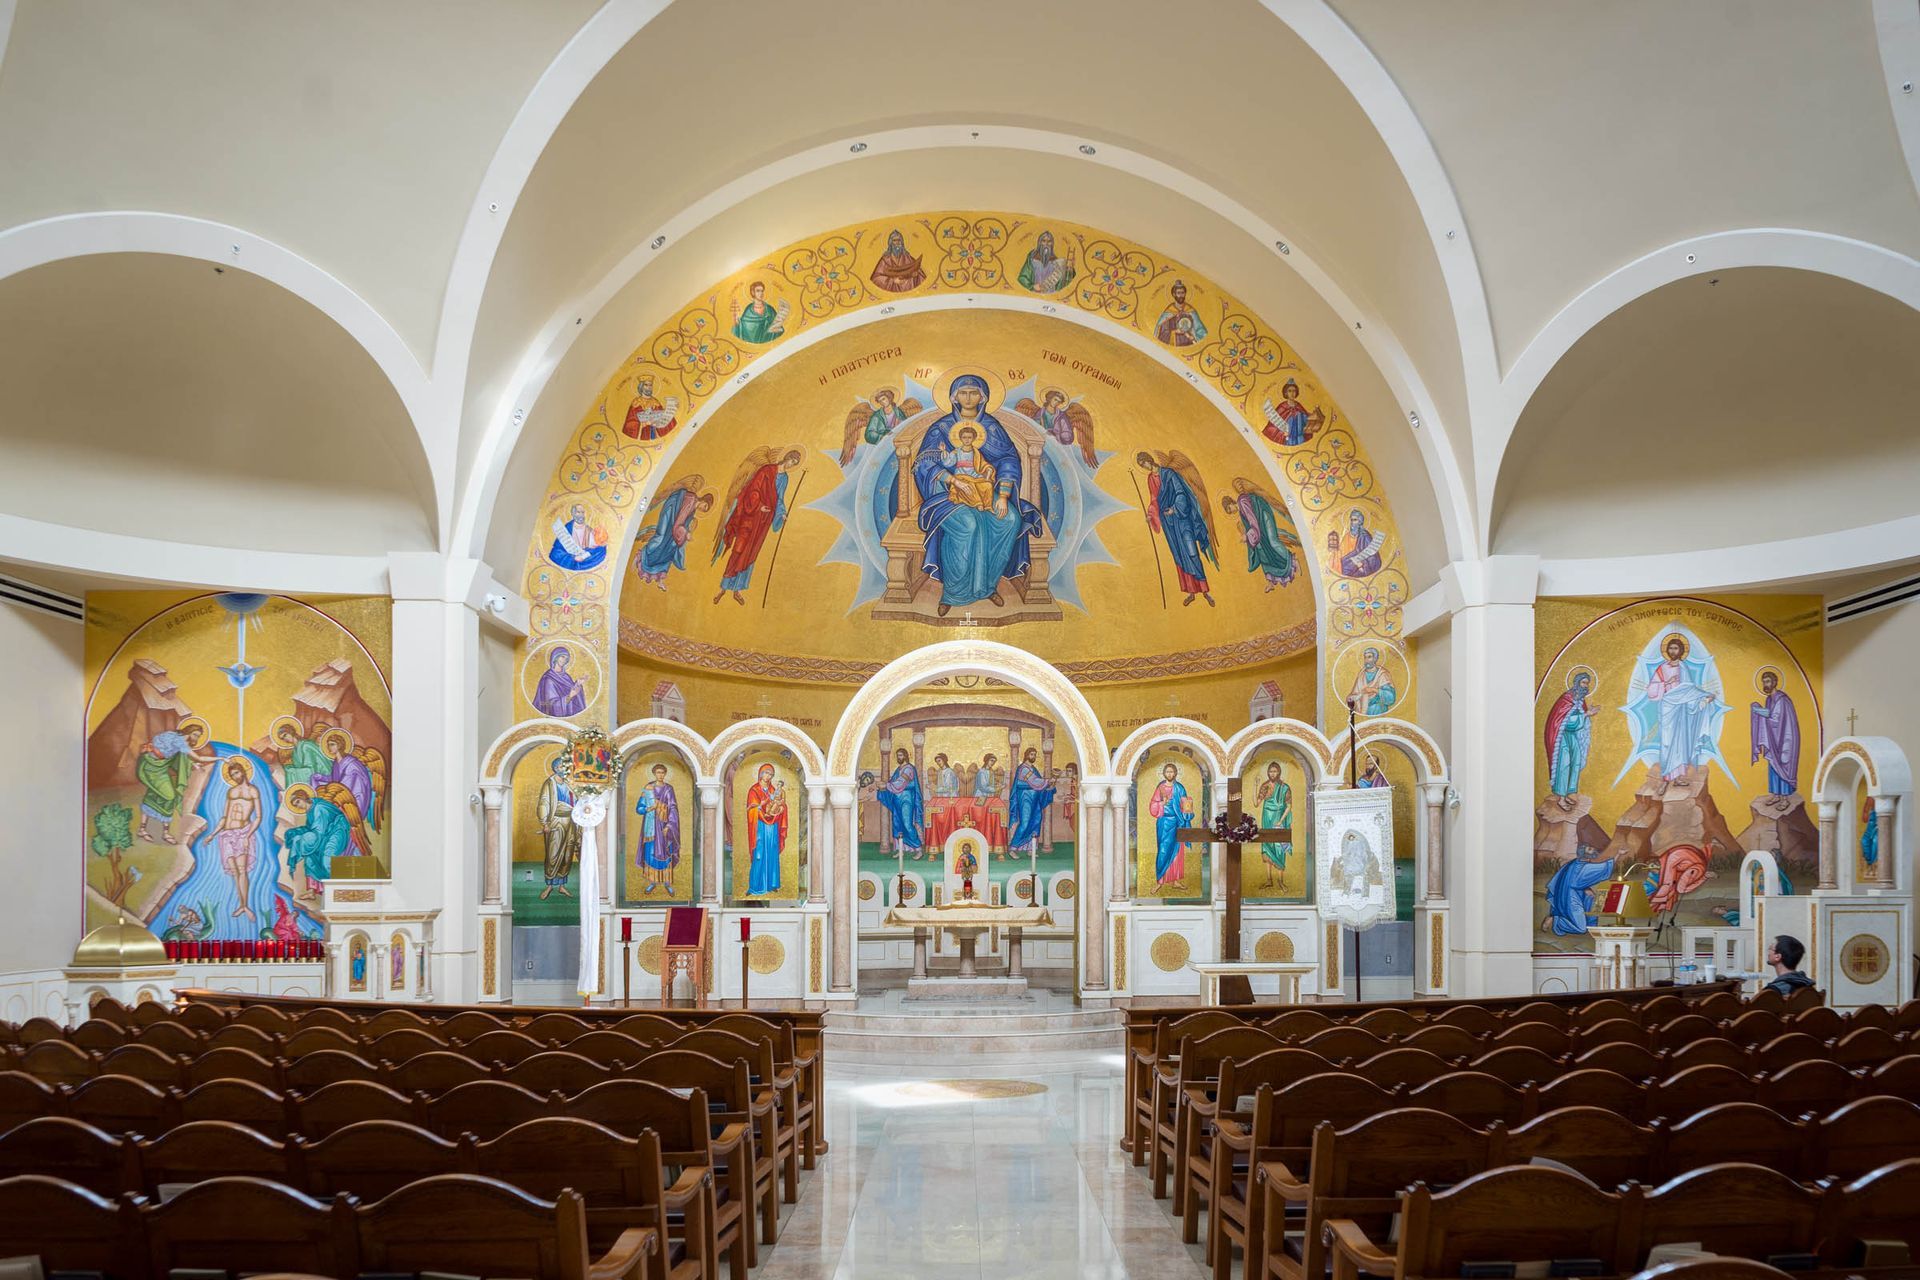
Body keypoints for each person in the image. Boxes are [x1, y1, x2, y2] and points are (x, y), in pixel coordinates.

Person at [911, 375, 1044, 616]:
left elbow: (1008, 461)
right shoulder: (941, 428)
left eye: (974, 392)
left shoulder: (991, 427)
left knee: (1010, 520)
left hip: (983, 492)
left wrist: (1002, 496)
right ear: (954, 397)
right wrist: (953, 480)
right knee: (968, 525)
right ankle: (952, 593)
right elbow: (923, 464)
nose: (969, 397)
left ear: (983, 397)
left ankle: (987, 586)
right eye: (963, 392)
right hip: (946, 496)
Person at [712, 447, 803, 604]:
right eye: (791, 460)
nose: (791, 464)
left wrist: (782, 513)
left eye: (794, 463)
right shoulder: (767, 470)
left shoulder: (785, 478)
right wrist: (759, 505)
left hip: (763, 522)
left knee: (751, 553)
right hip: (750, 517)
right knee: (739, 550)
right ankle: (723, 588)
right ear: (786, 457)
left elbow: (779, 498)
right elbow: (753, 490)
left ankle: (737, 590)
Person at [1138, 450, 1218, 606]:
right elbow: (1154, 499)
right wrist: (1151, 514)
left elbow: (1181, 492)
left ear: (1149, 460)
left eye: (1144, 462)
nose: (1144, 466)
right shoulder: (1150, 479)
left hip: (1182, 519)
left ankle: (1205, 591)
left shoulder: (1169, 474)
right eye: (1141, 465)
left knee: (1191, 552)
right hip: (1169, 524)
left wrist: (1174, 508)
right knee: (1179, 556)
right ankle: (1191, 592)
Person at [135, 718, 215, 844]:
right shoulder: (179, 740)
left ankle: (148, 830)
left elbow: (178, 755)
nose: (197, 738)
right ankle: (161, 832)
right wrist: (219, 758)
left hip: (161, 768)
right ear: (191, 732)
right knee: (170, 796)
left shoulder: (178, 739)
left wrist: (190, 764)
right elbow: (198, 757)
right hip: (151, 767)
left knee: (154, 795)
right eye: (197, 735)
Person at [634, 479, 712, 590]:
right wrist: (686, 534)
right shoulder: (691, 500)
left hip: (675, 527)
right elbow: (679, 521)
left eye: (705, 510)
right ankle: (641, 556)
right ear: (704, 500)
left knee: (671, 548)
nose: (703, 510)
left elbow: (681, 523)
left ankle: (659, 578)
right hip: (670, 515)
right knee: (660, 538)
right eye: (705, 507)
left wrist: (684, 533)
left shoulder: (693, 509)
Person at [1222, 481, 1298, 592]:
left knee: (1273, 541)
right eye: (1229, 512)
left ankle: (1293, 561)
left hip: (1264, 518)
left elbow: (1253, 520)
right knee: (1260, 550)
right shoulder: (1241, 512)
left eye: (1229, 509)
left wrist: (1248, 537)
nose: (1231, 512)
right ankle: (1270, 581)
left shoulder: (1242, 502)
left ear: (1231, 503)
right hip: (1258, 528)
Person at [210, 759, 261, 921]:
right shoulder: (231, 792)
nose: (235, 777)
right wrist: (213, 834)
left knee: (242, 871)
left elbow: (259, 817)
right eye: (232, 775)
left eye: (237, 773)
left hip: (242, 833)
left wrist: (247, 836)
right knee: (234, 873)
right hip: (227, 835)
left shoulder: (253, 791)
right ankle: (242, 905)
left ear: (243, 772)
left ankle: (246, 906)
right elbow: (225, 816)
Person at [1545, 669, 1597, 802]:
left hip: (1573, 736)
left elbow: (1580, 721)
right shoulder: (1566, 699)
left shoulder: (1580, 701)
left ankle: (1570, 792)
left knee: (1576, 760)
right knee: (1564, 763)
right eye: (1584, 683)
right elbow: (1564, 722)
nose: (1586, 686)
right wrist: (1586, 715)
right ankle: (1560, 796)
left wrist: (1587, 714)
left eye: (1587, 683)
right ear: (1576, 683)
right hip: (1562, 736)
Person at [1749, 668, 1801, 796]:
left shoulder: (1782, 700)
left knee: (1782, 764)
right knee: (1773, 765)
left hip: (1785, 740)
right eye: (1763, 682)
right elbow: (1769, 717)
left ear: (1775, 682)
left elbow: (1775, 720)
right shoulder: (1769, 700)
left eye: (1767, 681)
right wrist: (1760, 710)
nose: (1765, 685)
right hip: (1774, 739)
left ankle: (1784, 798)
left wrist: (1758, 710)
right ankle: (1776, 795)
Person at [633, 763, 681, 895]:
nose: (660, 775)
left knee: (666, 852)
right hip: (650, 827)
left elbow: (673, 807)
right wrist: (649, 808)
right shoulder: (648, 788)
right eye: (658, 772)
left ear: (665, 774)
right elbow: (639, 808)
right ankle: (652, 881)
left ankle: (667, 882)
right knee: (650, 852)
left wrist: (670, 825)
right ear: (654, 773)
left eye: (662, 772)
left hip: (664, 825)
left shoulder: (668, 789)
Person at [536, 755, 579, 900]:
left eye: (566, 766)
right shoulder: (550, 783)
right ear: (555, 768)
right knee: (553, 854)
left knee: (567, 853)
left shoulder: (570, 783)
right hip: (556, 822)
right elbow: (544, 802)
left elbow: (578, 799)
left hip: (571, 821)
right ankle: (549, 886)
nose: (564, 769)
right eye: (562, 767)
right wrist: (544, 823)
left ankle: (561, 886)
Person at [1147, 762, 1194, 884]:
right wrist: (1162, 803)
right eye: (1167, 771)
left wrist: (1187, 810)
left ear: (1175, 773)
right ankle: (1160, 880)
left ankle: (1175, 881)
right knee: (1163, 850)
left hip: (1177, 822)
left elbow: (1185, 805)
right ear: (1164, 773)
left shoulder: (1179, 788)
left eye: (1171, 771)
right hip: (1163, 822)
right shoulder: (1160, 788)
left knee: (1177, 851)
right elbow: (1153, 805)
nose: (1169, 774)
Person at [875, 747, 925, 859]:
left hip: (906, 800)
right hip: (897, 799)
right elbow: (893, 783)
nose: (899, 757)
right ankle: (901, 849)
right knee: (897, 824)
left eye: (901, 755)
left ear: (906, 756)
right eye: (898, 755)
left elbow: (900, 783)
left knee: (907, 824)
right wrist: (883, 786)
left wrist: (886, 785)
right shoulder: (899, 769)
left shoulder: (909, 769)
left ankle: (918, 849)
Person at [746, 763, 787, 894]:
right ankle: (755, 886)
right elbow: (751, 809)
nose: (768, 776)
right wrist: (760, 806)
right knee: (759, 853)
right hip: (760, 826)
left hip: (772, 826)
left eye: (771, 774)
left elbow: (781, 803)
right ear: (760, 774)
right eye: (766, 773)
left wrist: (781, 808)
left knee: (772, 852)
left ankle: (772, 884)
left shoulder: (774, 790)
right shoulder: (754, 790)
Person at [1007, 747, 1056, 854]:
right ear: (1027, 755)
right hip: (1025, 799)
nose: (1033, 756)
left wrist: (1048, 785)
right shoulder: (1024, 769)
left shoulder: (1032, 769)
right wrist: (1047, 781)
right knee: (1025, 823)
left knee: (1035, 821)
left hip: (1034, 799)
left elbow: (1037, 784)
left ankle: (1030, 848)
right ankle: (1013, 848)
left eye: (1035, 754)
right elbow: (1034, 782)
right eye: (1031, 754)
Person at [1255, 761, 1293, 893]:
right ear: (1268, 772)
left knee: (1279, 849)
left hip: (1278, 820)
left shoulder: (1284, 787)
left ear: (1279, 772)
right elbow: (1256, 804)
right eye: (1270, 771)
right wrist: (1256, 786)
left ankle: (1281, 881)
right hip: (1266, 818)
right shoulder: (1265, 786)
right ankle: (1269, 880)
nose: (1273, 774)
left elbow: (1288, 806)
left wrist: (1280, 821)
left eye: (1275, 771)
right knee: (1267, 847)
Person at [547, 502, 608, 571]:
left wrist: (586, 554)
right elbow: (557, 550)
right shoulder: (566, 529)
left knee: (602, 548)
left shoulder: (589, 529)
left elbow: (597, 544)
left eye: (582, 512)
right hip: (573, 558)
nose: (581, 515)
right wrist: (573, 557)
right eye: (578, 512)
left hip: (586, 557)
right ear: (573, 514)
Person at [531, 644, 588, 717]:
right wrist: (570, 696)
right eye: (562, 657)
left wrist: (578, 684)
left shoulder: (566, 676)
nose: (564, 660)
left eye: (566, 658)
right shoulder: (548, 678)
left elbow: (571, 690)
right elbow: (550, 704)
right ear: (555, 657)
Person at [620, 374, 678, 440]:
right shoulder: (636, 402)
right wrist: (643, 424)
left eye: (650, 385)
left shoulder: (655, 402)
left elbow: (665, 419)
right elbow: (629, 424)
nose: (649, 387)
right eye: (646, 385)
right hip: (643, 434)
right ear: (641, 387)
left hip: (655, 433)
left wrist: (669, 411)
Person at [1153, 279, 1208, 346]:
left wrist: (1193, 336)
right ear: (1174, 294)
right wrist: (1174, 332)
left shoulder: (1190, 310)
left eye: (1182, 293)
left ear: (1185, 294)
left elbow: (1200, 329)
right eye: (1178, 293)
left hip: (1189, 344)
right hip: (1173, 343)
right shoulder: (1169, 311)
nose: (1181, 295)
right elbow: (1160, 331)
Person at [869, 228, 925, 293]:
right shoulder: (885, 260)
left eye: (899, 240)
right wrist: (892, 281)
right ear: (890, 243)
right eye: (894, 240)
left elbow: (920, 273)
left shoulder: (907, 257)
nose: (897, 243)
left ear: (902, 243)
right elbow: (876, 278)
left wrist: (916, 274)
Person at [1348, 647, 1398, 716]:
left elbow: (1391, 697)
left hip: (1378, 711)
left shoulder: (1382, 674)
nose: (1366, 660)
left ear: (1375, 659)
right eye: (1365, 657)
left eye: (1369, 657)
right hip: (1363, 711)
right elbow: (1354, 694)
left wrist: (1374, 690)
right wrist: (1352, 698)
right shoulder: (1361, 675)